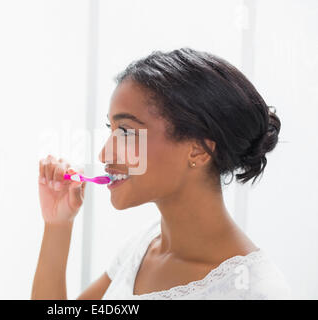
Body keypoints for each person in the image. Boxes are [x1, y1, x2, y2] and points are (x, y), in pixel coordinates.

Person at [31, 48, 291, 300]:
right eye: (111, 129)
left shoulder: (256, 292)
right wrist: (58, 225)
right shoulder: (143, 246)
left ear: (198, 150)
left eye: (127, 132)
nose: (104, 155)